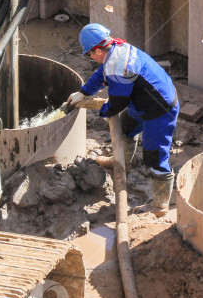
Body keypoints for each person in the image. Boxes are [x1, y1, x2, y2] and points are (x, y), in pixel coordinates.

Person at [67, 23, 179, 216]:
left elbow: (117, 103)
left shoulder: (118, 67)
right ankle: (121, 163)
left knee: (155, 158)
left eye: (89, 54)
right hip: (144, 100)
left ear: (98, 50)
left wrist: (103, 111)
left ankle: (160, 206)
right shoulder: (117, 49)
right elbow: (102, 75)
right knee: (126, 128)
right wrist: (84, 92)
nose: (90, 58)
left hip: (159, 111)